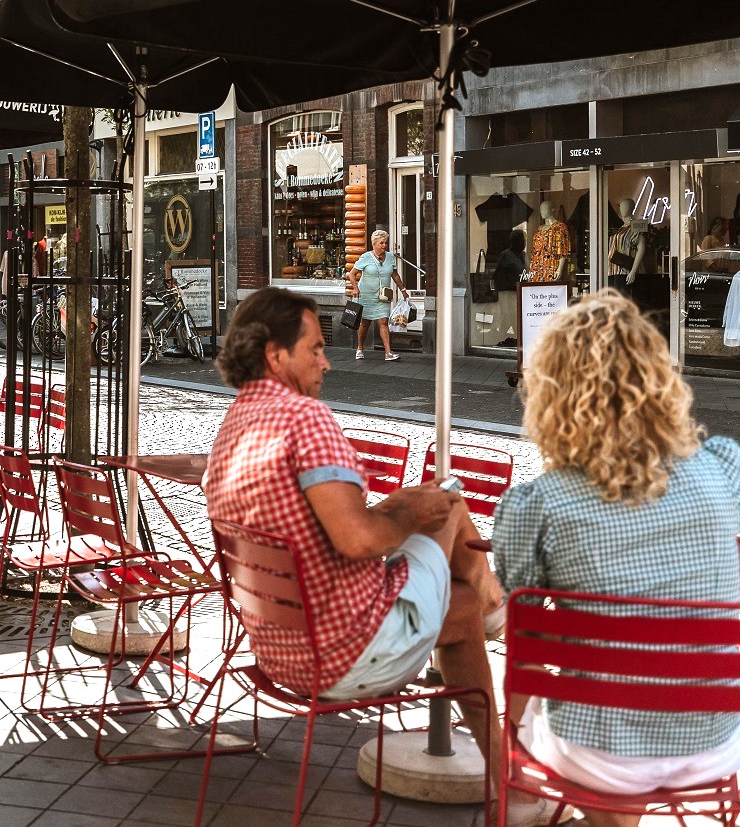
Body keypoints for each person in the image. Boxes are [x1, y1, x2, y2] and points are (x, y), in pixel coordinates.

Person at [206, 287, 550, 825]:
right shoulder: (304, 419)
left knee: (447, 569)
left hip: (277, 650)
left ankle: (489, 612)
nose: (326, 360)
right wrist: (413, 512)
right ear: (276, 355)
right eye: (316, 349)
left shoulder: (233, 426)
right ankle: (498, 613)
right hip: (342, 654)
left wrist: (402, 508)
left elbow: (338, 527)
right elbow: (358, 540)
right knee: (451, 502)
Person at [495, 289, 740, 823]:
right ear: (660, 380)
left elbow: (515, 613)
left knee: (588, 735)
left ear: (551, 393)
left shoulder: (540, 503)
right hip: (712, 740)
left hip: (601, 750)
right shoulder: (718, 468)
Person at [348, 228, 401, 361]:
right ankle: (360, 348)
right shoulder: (366, 257)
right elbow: (352, 274)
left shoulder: (389, 257)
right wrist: (355, 288)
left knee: (383, 321)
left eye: (386, 243)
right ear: (374, 244)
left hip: (383, 296)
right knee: (365, 323)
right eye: (381, 243)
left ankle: (388, 353)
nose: (384, 245)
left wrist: (403, 290)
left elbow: (395, 274)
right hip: (365, 295)